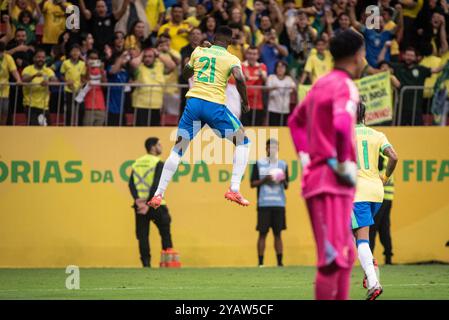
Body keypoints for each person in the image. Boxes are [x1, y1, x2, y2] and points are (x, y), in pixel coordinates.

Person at [288, 30, 365, 300]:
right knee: (332, 258)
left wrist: (306, 158)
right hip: (331, 183)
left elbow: (294, 122)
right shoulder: (345, 86)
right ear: (358, 55)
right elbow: (343, 126)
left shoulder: (321, 84)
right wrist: (343, 163)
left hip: (324, 180)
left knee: (345, 253)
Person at [148, 26, 251, 209]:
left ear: (213, 37)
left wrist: (197, 58)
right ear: (229, 42)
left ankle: (158, 194)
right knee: (244, 142)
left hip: (193, 105)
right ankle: (234, 188)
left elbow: (186, 73)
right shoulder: (232, 58)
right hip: (214, 106)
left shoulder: (199, 51)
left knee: (177, 150)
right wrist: (245, 101)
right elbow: (240, 79)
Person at [353, 103, 398, 300]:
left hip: (357, 192)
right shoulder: (377, 135)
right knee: (352, 233)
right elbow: (394, 157)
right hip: (376, 192)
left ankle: (373, 282)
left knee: (361, 238)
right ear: (365, 115)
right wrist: (385, 176)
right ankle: (370, 262)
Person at [128, 137, 174, 267]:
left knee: (142, 235)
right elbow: (156, 185)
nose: (161, 147)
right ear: (153, 147)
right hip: (157, 205)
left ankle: (146, 264)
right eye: (159, 144)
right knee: (165, 232)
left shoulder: (137, 163)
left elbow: (131, 184)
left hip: (140, 206)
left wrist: (138, 201)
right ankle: (167, 262)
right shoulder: (158, 163)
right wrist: (148, 204)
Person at [250, 138, 289, 267]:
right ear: (266, 149)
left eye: (274, 147)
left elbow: (287, 185)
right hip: (264, 203)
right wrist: (265, 179)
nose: (272, 150)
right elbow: (252, 183)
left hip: (279, 203)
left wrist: (282, 179)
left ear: (277, 149)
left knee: (278, 234)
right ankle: (260, 263)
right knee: (262, 233)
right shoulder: (259, 163)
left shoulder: (282, 165)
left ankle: (280, 262)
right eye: (269, 147)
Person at [130, 47, 176, 126]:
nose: (147, 59)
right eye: (145, 57)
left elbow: (172, 65)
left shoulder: (160, 67)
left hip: (156, 106)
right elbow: (133, 63)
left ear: (155, 58)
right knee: (140, 131)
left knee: (154, 131)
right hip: (141, 105)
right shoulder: (140, 67)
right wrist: (142, 54)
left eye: (150, 56)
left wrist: (158, 54)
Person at [369, 153, 395, 265]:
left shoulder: (376, 157)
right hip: (388, 198)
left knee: (372, 227)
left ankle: (369, 259)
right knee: (384, 228)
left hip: (379, 197)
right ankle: (388, 257)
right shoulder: (385, 158)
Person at [22, 48, 58, 126]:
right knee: (34, 130)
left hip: (44, 106)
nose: (41, 59)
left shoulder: (48, 70)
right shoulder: (28, 69)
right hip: (30, 105)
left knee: (47, 131)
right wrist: (34, 76)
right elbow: (24, 80)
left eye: (43, 57)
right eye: (38, 57)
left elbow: (55, 80)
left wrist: (48, 82)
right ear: (34, 58)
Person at [60, 44, 87, 126]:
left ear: (80, 53)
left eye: (77, 51)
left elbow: (83, 76)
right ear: (70, 53)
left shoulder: (82, 64)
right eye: (73, 51)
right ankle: (68, 127)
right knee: (69, 110)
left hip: (78, 90)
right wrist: (67, 82)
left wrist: (82, 84)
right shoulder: (65, 63)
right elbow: (61, 75)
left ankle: (79, 127)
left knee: (81, 110)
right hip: (68, 90)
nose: (75, 53)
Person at [266, 60, 295, 126]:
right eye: (278, 67)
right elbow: (267, 89)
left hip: (285, 109)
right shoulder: (271, 77)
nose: (280, 69)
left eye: (282, 67)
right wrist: (273, 88)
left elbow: (293, 88)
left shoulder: (289, 79)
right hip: (273, 109)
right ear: (275, 68)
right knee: (273, 130)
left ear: (285, 69)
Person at [0, 41, 21, 125]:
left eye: (1, 51)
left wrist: (18, 79)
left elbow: (14, 70)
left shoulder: (8, 58)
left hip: (4, 91)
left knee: (4, 113)